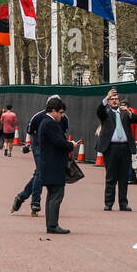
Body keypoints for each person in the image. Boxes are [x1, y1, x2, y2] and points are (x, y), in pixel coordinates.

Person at [14, 97, 70, 218]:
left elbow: (62, 134)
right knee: (40, 173)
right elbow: (30, 131)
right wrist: (31, 145)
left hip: (53, 149)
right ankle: (35, 202)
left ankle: (22, 196)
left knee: (39, 174)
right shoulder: (39, 117)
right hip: (39, 148)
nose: (62, 114)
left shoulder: (63, 118)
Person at [38, 96, 75, 234]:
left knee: (51, 196)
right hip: (53, 165)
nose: (62, 115)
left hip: (48, 164)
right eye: (60, 112)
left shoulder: (45, 122)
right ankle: (53, 225)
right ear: (53, 110)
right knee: (56, 196)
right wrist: (71, 145)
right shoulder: (50, 123)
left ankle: (51, 224)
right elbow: (59, 142)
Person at [96, 88, 136, 211]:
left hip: (125, 147)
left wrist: (129, 112)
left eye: (116, 99)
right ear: (108, 101)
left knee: (124, 177)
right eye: (112, 99)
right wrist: (105, 98)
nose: (114, 101)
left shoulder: (125, 112)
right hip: (111, 148)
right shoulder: (106, 113)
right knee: (111, 176)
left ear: (119, 101)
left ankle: (123, 203)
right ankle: (108, 203)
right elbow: (99, 111)